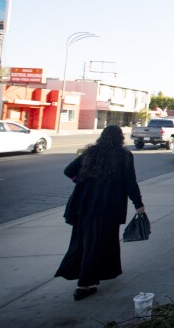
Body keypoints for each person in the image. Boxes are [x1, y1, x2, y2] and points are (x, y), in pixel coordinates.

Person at [55, 125, 145, 301]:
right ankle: (83, 285)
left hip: (84, 206)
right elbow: (130, 182)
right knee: (99, 244)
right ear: (120, 138)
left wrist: (82, 182)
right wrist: (138, 203)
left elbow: (68, 171)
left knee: (83, 242)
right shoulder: (124, 155)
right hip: (107, 207)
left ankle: (86, 277)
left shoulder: (91, 152)